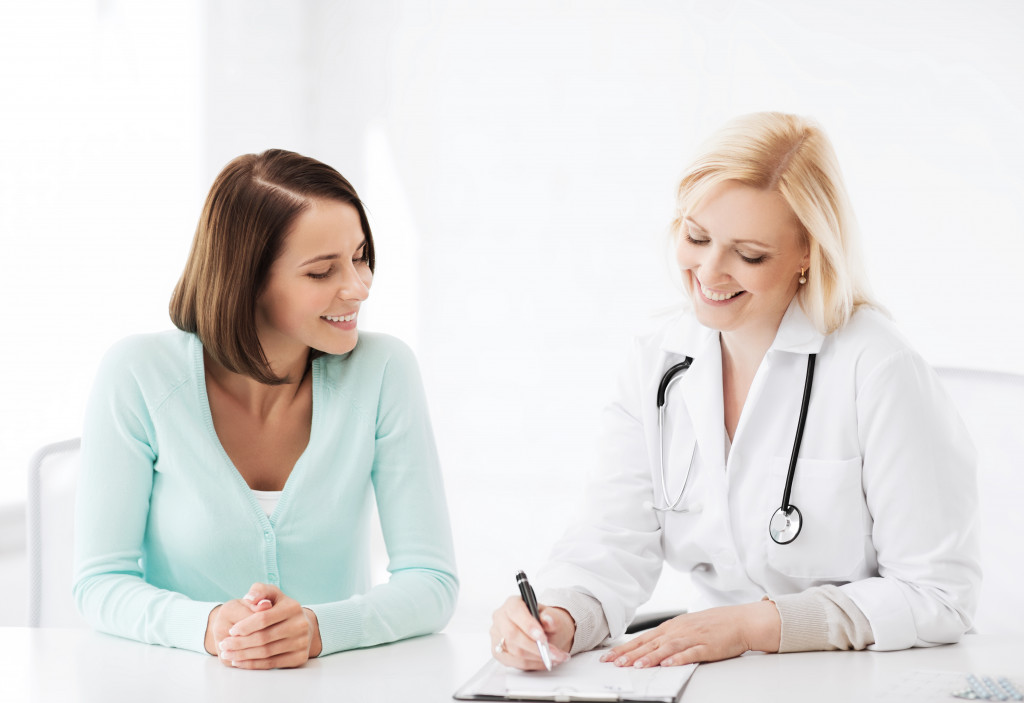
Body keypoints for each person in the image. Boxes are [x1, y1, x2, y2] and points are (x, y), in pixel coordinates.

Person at [490, 112, 980, 670]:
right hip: (711, 672)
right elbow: (612, 542)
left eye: (749, 255)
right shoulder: (658, 360)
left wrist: (754, 625)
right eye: (696, 237)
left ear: (807, 256)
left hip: (856, 676)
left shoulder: (879, 368)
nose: (710, 272)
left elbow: (938, 595)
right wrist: (561, 616)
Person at [74, 149, 458, 669]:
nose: (359, 287)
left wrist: (319, 630)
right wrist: (208, 626)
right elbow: (100, 584)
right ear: (248, 279)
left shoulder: (384, 370)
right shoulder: (138, 374)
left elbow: (431, 582)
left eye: (361, 257)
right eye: (322, 272)